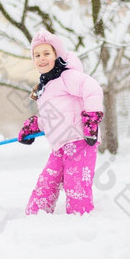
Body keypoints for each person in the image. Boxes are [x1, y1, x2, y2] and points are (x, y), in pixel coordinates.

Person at [17, 29, 104, 215]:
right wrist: (34, 126)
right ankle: (34, 217)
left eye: (47, 53)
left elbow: (93, 89)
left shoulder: (67, 76)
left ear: (57, 55)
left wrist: (91, 120)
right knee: (47, 181)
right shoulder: (45, 87)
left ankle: (80, 220)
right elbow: (53, 117)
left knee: (76, 184)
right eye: (37, 55)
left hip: (79, 140)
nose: (41, 58)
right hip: (59, 145)